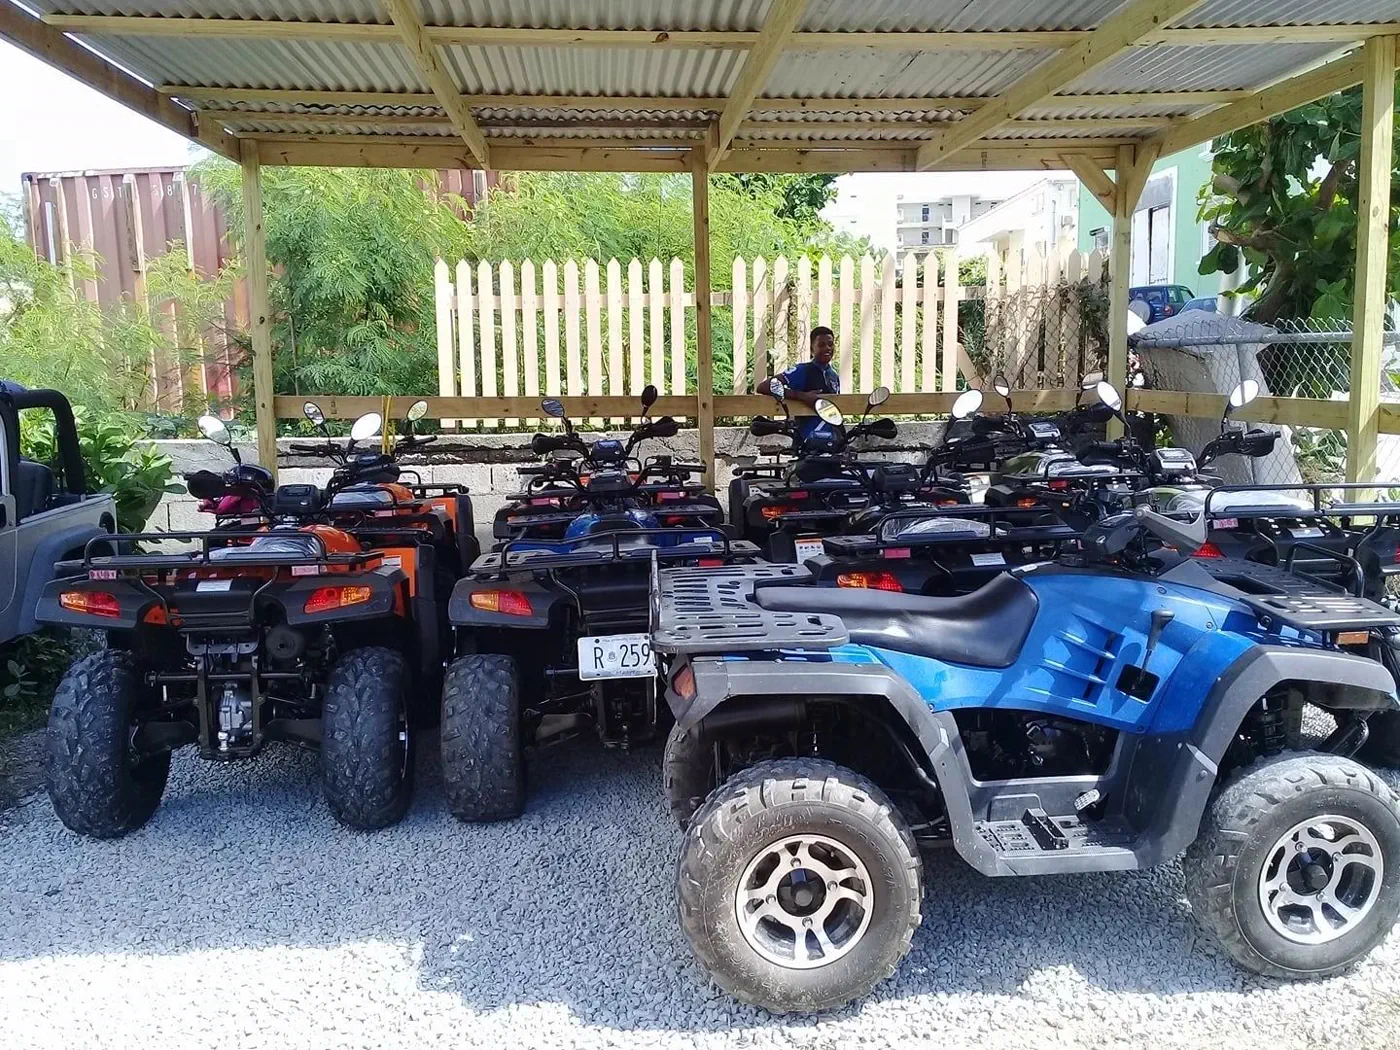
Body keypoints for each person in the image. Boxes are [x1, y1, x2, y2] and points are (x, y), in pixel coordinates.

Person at [757, 326, 838, 443]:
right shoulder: (802, 370)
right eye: (821, 345)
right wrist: (801, 396)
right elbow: (764, 386)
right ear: (811, 349)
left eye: (830, 344)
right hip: (808, 441)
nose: (827, 348)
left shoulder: (833, 375)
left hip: (831, 441)